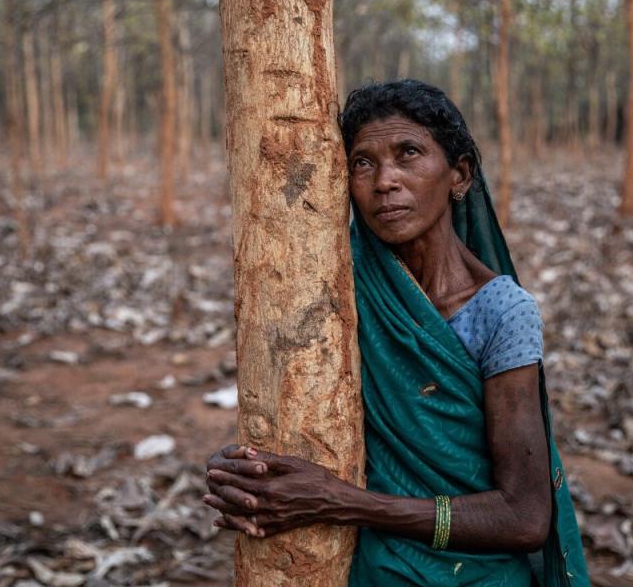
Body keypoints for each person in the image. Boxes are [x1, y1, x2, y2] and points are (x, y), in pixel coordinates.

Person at [204, 80, 589, 586]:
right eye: (363, 162)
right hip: (373, 567)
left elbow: (523, 518)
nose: (385, 180)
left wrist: (343, 502)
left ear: (460, 175)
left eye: (408, 153)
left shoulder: (501, 312)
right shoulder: (334, 289)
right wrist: (243, 470)